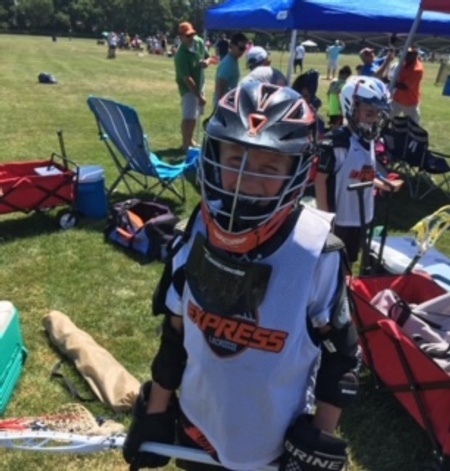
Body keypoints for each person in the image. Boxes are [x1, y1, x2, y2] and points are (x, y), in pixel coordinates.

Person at [122, 82, 360, 471]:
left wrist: (320, 437)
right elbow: (175, 334)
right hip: (199, 429)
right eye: (236, 160)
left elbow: (341, 358)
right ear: (214, 156)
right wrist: (157, 411)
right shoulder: (196, 228)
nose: (248, 179)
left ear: (298, 171)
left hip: (274, 443)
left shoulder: (316, 252)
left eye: (269, 167)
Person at [314, 76, 395, 266]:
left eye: (378, 113)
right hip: (340, 218)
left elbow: (360, 171)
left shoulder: (368, 138)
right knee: (331, 265)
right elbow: (320, 181)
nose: (375, 119)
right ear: (352, 108)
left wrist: (382, 184)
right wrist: (325, 219)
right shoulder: (338, 143)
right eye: (369, 113)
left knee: (349, 261)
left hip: (360, 215)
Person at [174, 22, 211, 151]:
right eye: (188, 36)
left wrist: (206, 62)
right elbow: (187, 79)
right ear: (181, 37)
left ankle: (190, 140)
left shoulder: (199, 42)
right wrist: (199, 96)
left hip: (200, 83)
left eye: (192, 34)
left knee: (195, 115)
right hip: (188, 88)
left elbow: (209, 57)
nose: (191, 38)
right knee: (188, 116)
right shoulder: (180, 56)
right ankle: (185, 143)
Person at [391, 47, 424, 124]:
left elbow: (405, 87)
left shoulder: (417, 69)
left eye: (409, 54)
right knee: (387, 118)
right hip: (397, 99)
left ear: (415, 55)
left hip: (410, 102)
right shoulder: (403, 63)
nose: (406, 55)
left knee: (413, 124)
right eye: (405, 53)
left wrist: (391, 82)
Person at [213, 33, 248, 105]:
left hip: (228, 103)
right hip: (224, 105)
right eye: (241, 48)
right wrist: (222, 106)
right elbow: (220, 86)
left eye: (244, 49)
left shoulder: (233, 60)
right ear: (232, 46)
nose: (242, 51)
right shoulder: (228, 63)